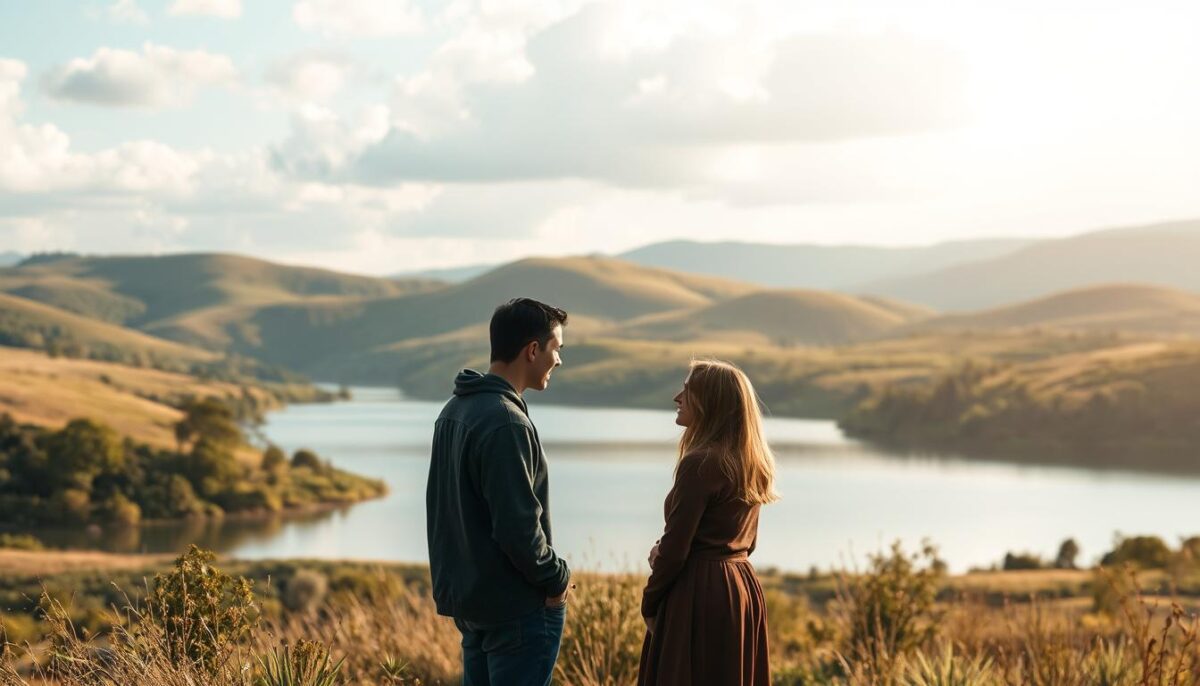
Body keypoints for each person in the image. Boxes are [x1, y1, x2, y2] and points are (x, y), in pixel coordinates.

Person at [426, 297, 573, 686]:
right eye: (556, 349)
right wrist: (557, 577)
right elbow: (518, 528)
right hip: (516, 611)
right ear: (532, 350)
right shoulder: (506, 422)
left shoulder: (454, 411)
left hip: (474, 606)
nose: (558, 360)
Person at [638, 359, 779, 686]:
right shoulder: (750, 464)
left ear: (710, 402)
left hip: (697, 595)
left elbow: (675, 550)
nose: (678, 397)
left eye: (688, 390)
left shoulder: (699, 463)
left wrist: (650, 602)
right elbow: (747, 543)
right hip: (741, 590)